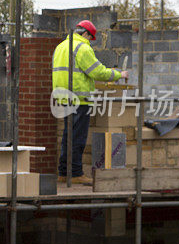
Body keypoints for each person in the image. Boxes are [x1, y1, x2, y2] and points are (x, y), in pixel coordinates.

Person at [51, 20, 129, 185]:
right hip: (80, 98)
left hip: (64, 97)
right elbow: (97, 71)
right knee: (77, 137)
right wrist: (118, 74)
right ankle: (76, 173)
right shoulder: (82, 47)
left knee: (68, 135)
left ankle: (64, 172)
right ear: (85, 33)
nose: (90, 41)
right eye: (90, 37)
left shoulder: (61, 46)